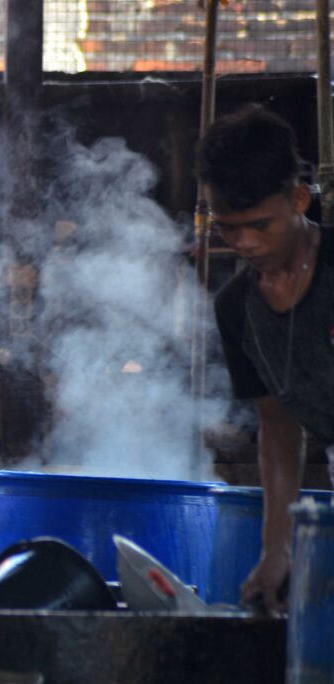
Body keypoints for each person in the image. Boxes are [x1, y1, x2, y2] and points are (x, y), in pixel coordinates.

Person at [200, 106, 334, 613]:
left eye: (260, 225)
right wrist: (276, 550)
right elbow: (278, 427)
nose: (246, 243)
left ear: (298, 198)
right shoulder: (237, 308)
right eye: (228, 229)